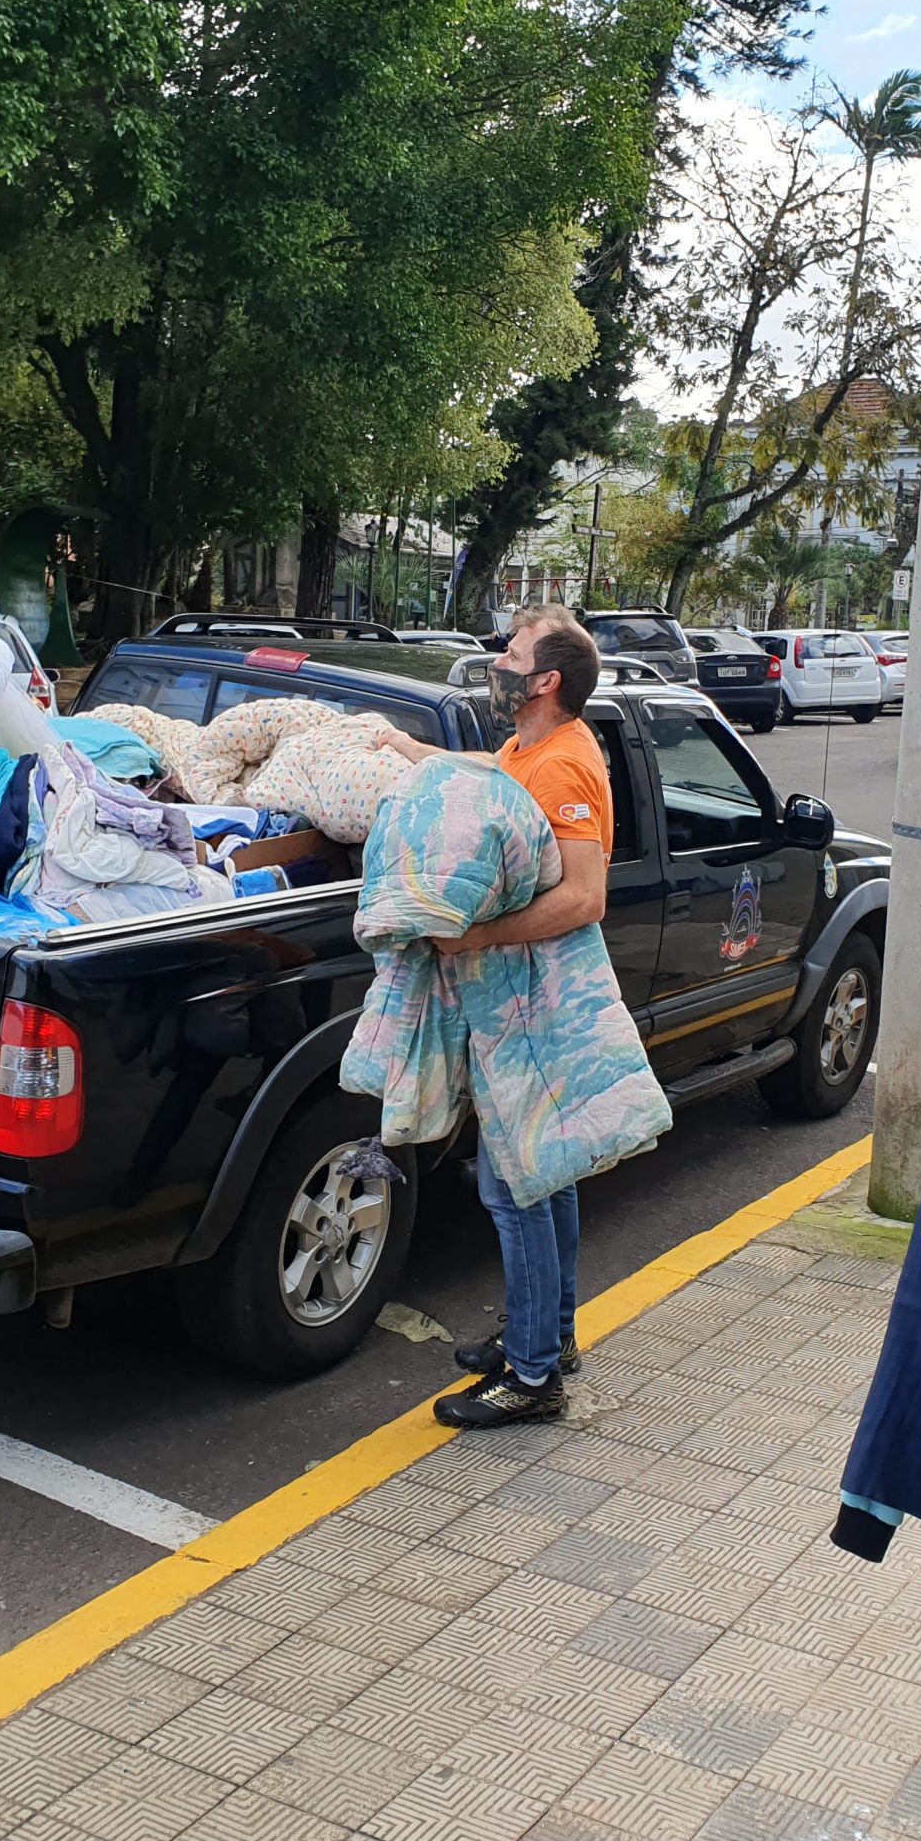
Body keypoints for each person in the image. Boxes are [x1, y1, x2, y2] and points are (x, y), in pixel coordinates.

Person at [384, 607, 615, 1428]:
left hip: (533, 1002)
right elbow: (491, 769)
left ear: (545, 680)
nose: (499, 663)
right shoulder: (531, 747)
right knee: (546, 1174)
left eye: (511, 655)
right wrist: (411, 752)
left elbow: (585, 897)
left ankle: (532, 1378)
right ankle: (548, 1334)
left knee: (513, 1187)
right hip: (519, 995)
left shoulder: (566, 768)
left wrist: (473, 936)